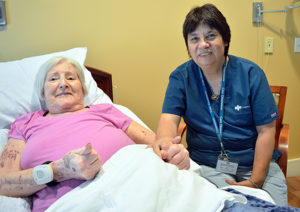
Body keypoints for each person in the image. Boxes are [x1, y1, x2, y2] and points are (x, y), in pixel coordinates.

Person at [152, 4, 287, 206]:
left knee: (272, 208)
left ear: (225, 39)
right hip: (204, 166)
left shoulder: (251, 74)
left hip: (256, 166)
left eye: (211, 36)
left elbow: (267, 131)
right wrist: (164, 143)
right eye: (194, 38)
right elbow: (168, 120)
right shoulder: (181, 77)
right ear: (188, 45)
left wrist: (255, 181)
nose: (203, 44)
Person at [0, 56, 160, 211]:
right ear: (42, 91)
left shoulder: (107, 110)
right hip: (69, 204)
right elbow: (3, 184)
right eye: (53, 79)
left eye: (70, 78)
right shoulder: (25, 123)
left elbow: (158, 144)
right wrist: (58, 171)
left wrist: (171, 151)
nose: (63, 84)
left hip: (139, 186)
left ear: (83, 89)